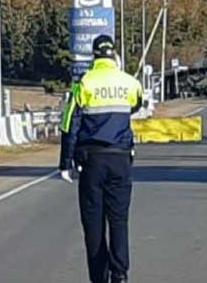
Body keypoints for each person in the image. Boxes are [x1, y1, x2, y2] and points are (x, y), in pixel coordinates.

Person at [59, 35, 144, 283]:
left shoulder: (83, 83)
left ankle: (99, 277)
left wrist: (65, 163)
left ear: (94, 56)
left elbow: (69, 125)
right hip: (120, 159)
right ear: (114, 55)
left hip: (91, 162)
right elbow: (136, 105)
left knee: (93, 224)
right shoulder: (129, 82)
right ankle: (120, 274)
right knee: (119, 220)